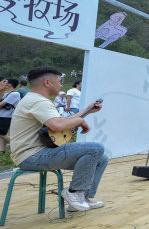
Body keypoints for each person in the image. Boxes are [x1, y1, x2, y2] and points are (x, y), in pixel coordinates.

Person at [9, 67, 107, 212]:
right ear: (47, 82)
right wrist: (80, 121)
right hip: (32, 156)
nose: (61, 86)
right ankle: (74, 192)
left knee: (101, 158)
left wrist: (87, 111)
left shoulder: (35, 99)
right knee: (95, 148)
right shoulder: (38, 101)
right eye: (59, 82)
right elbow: (58, 125)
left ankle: (82, 198)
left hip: (37, 154)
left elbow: (61, 122)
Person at [0, 78, 21, 153]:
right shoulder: (6, 94)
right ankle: (2, 150)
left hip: (7, 116)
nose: (4, 83)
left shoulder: (14, 94)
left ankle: (18, 145)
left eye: (6, 82)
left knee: (1, 134)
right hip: (3, 115)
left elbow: (1, 105)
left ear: (10, 84)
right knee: (2, 134)